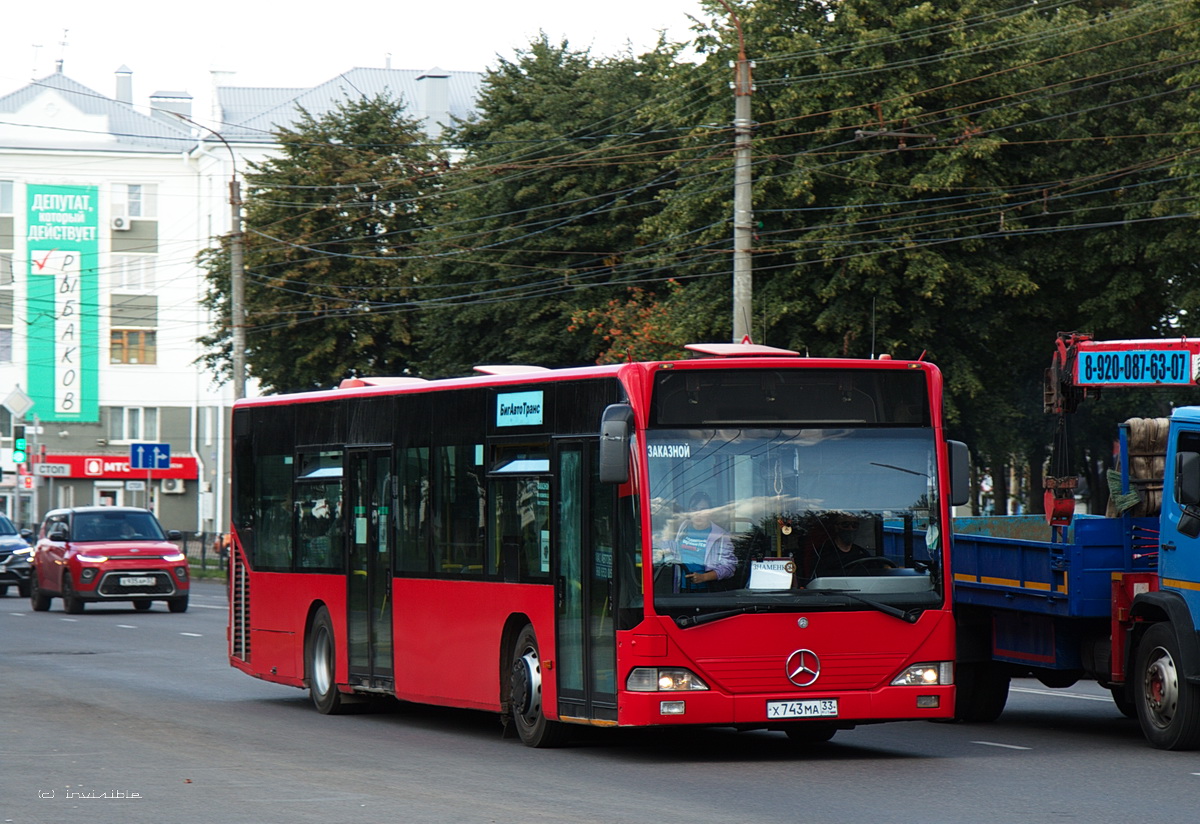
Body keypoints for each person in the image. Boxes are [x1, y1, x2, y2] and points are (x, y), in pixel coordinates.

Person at [658, 491, 736, 589]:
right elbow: (665, 547)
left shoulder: (721, 536)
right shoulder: (680, 528)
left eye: (703, 510)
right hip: (678, 588)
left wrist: (704, 577)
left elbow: (729, 567)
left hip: (704, 592)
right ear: (689, 511)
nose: (698, 513)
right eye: (694, 509)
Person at [809, 512, 872, 578]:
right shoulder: (823, 553)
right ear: (836, 527)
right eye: (845, 524)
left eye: (854, 525)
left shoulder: (863, 554)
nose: (850, 528)